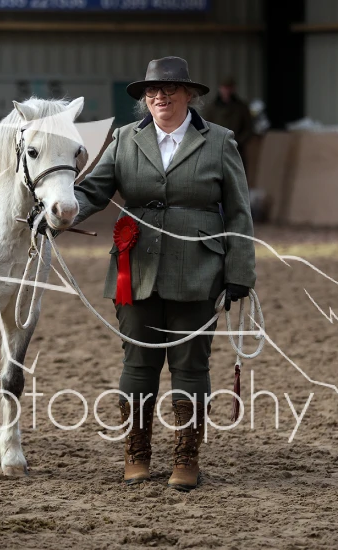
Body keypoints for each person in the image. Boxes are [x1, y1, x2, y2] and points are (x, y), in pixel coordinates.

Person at [68, 56, 256, 491]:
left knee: (191, 364)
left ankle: (186, 458)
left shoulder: (220, 141)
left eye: (170, 89)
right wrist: (58, 211)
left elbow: (239, 211)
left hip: (199, 268)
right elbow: (93, 190)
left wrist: (240, 270)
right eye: (152, 91)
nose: (160, 97)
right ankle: (136, 453)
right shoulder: (124, 139)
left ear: (189, 95)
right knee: (138, 362)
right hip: (136, 267)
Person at [203, 76, 254, 170]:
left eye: (229, 87)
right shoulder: (212, 108)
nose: (227, 91)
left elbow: (248, 128)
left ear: (233, 89)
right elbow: (205, 126)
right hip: (217, 148)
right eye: (224, 87)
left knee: (237, 172)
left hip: (237, 149)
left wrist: (238, 141)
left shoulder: (241, 107)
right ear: (220, 88)